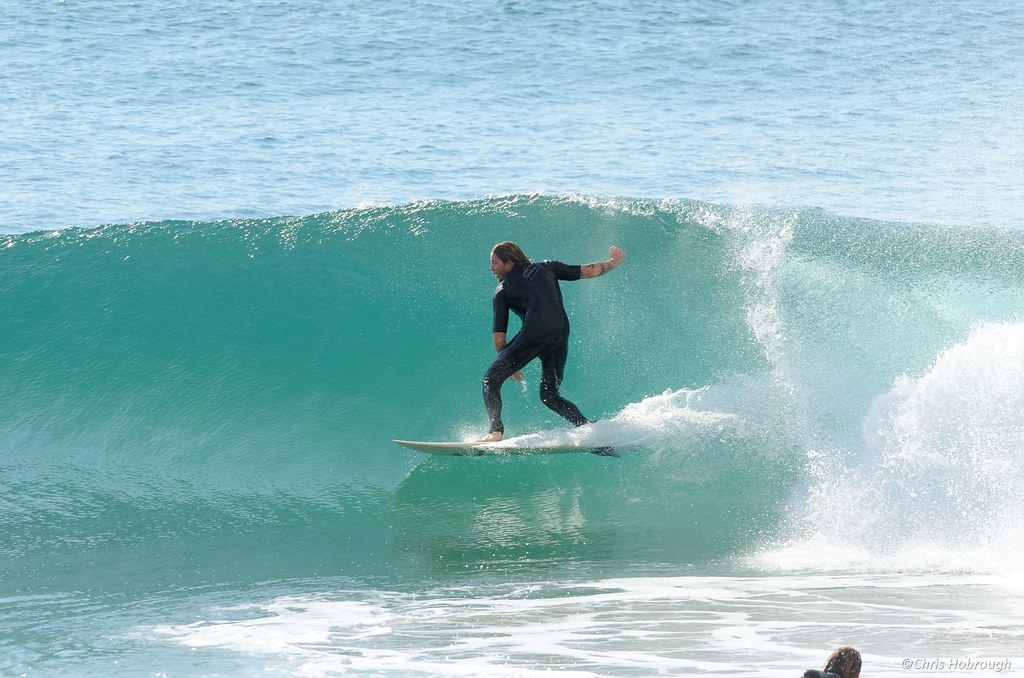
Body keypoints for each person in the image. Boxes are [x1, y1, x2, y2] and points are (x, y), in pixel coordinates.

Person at [478, 241, 626, 442]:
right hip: (560, 333)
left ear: (509, 262)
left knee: (491, 380)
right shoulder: (547, 266)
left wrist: (507, 363)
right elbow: (589, 271)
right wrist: (614, 262)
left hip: (534, 333)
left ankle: (495, 431)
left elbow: (499, 338)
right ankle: (590, 432)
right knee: (549, 395)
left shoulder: (502, 290)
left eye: (494, 263)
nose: (491, 268)